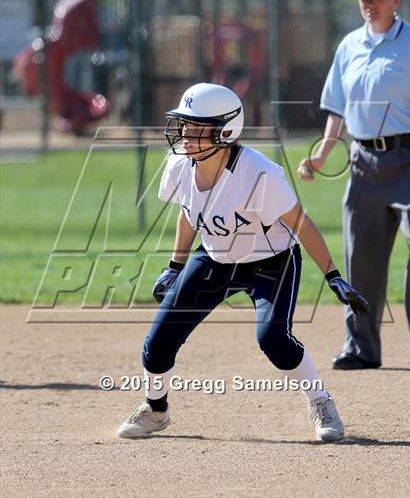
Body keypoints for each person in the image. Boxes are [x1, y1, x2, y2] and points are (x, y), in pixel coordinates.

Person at [117, 83, 368, 442]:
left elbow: (299, 222)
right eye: (184, 125)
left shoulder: (259, 173)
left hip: (271, 263)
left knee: (273, 340)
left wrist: (333, 275)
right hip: (215, 258)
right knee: (157, 344)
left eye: (197, 128)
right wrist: (175, 265)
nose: (186, 135)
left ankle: (321, 401)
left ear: (226, 131)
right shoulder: (179, 167)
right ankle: (155, 410)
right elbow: (190, 214)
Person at [298, 0, 410, 369]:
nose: (369, 3)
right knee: (360, 258)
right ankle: (361, 348)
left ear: (395, 1)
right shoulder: (349, 45)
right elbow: (337, 108)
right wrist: (322, 154)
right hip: (363, 163)